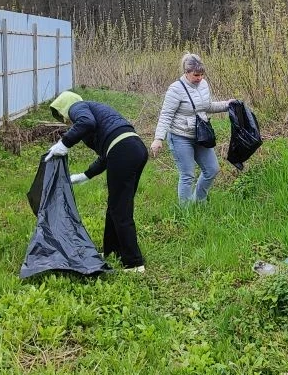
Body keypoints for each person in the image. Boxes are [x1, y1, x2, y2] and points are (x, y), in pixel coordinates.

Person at [46, 91, 148, 273]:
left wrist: (64, 143)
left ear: (64, 106)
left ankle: (134, 263)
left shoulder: (78, 107)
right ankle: (111, 251)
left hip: (124, 151)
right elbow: (106, 154)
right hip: (135, 148)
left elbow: (86, 123)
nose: (66, 120)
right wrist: (86, 175)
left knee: (120, 210)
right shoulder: (94, 112)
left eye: (62, 116)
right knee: (116, 205)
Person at [151, 53, 234, 204]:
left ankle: (198, 202)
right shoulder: (175, 89)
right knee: (188, 175)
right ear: (186, 72)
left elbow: (207, 107)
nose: (199, 78)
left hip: (200, 135)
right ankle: (185, 211)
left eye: (202, 74)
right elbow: (166, 115)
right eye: (196, 75)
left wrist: (227, 105)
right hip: (180, 137)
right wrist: (158, 138)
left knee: (212, 169)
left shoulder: (203, 84)